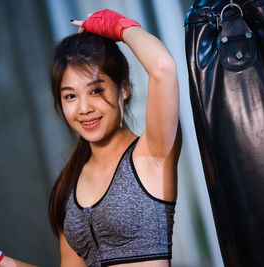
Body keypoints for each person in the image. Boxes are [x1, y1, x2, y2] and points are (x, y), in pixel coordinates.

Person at [48, 9, 181, 267]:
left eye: (96, 90)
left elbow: (163, 67)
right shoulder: (69, 186)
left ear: (124, 89)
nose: (84, 108)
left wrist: (120, 26)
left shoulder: (152, 153)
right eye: (70, 96)